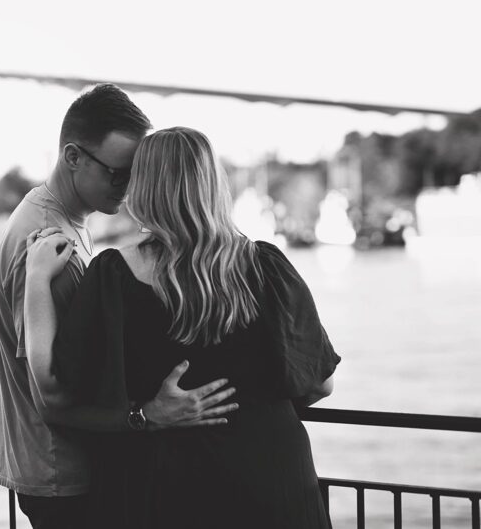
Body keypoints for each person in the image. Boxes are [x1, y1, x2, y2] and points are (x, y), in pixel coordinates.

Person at [26, 126, 340, 529]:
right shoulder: (268, 266)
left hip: (170, 490)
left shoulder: (113, 276)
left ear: (144, 187)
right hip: (275, 485)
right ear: (213, 185)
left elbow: (54, 387)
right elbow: (319, 384)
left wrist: (36, 282)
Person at [0, 87, 239, 529]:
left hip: (60, 463)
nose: (129, 188)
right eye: (118, 174)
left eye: (135, 175)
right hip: (64, 470)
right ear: (72, 157)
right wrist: (150, 415)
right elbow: (55, 390)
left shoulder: (59, 220)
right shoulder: (46, 241)